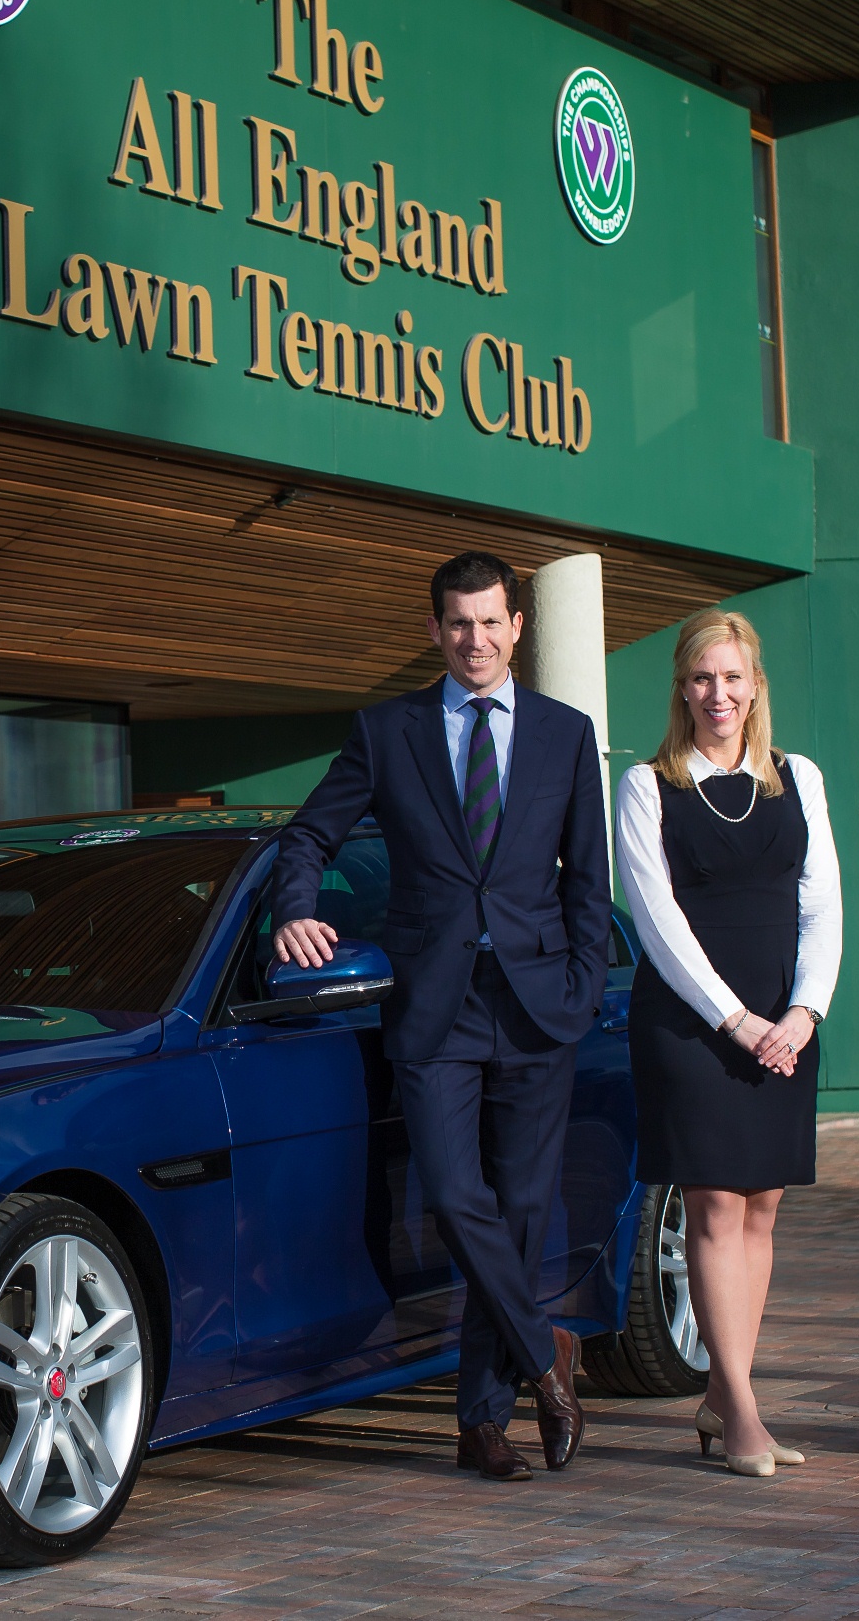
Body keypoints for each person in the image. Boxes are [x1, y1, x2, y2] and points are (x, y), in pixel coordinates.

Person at [269, 551, 612, 1482]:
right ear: (434, 629)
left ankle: (481, 1423)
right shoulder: (388, 731)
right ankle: (547, 1354)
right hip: (435, 1008)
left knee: (524, 1214)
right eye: (459, 622)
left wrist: (583, 985)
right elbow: (309, 834)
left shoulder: (566, 733)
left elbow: (589, 879)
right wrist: (296, 908)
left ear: (518, 627)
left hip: (538, 1006)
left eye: (491, 621)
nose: (476, 639)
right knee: (458, 1201)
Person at [614, 609, 840, 1477]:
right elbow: (657, 923)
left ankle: (723, 1395)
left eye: (733, 677)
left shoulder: (799, 778)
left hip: (785, 1025)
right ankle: (741, 1410)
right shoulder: (647, 786)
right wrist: (735, 1019)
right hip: (692, 1026)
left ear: (755, 687)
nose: (719, 693)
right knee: (713, 1205)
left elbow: (822, 904)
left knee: (762, 1207)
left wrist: (804, 1012)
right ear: (681, 688)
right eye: (702, 678)